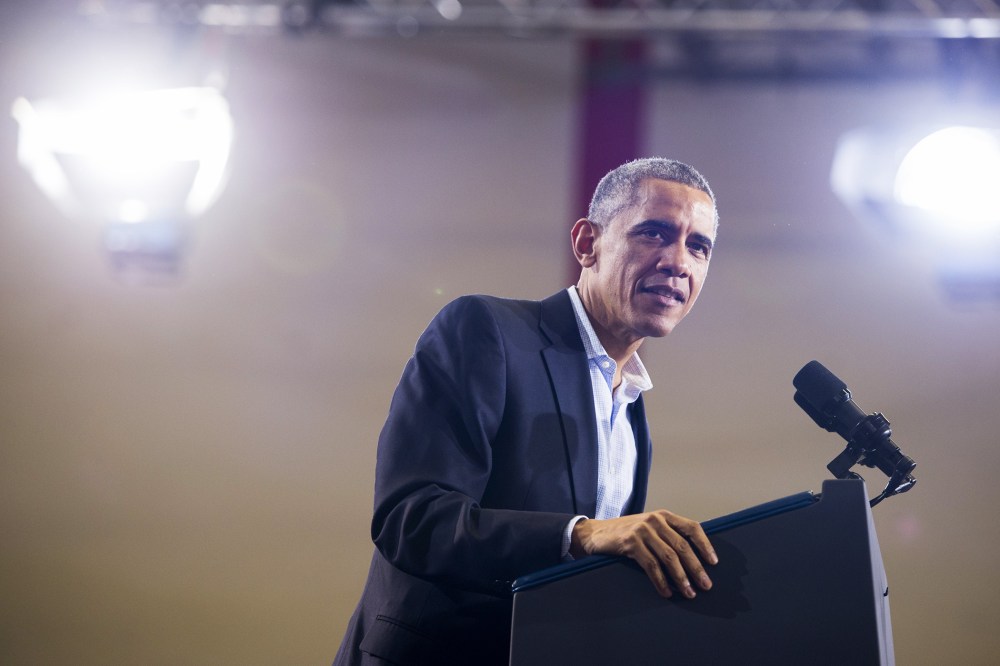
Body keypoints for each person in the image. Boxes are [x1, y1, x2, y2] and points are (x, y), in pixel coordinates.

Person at [334, 157, 720, 666]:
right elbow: (413, 520)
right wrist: (583, 533)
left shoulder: (632, 413)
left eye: (699, 247)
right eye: (654, 233)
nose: (679, 262)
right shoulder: (487, 331)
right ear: (588, 244)